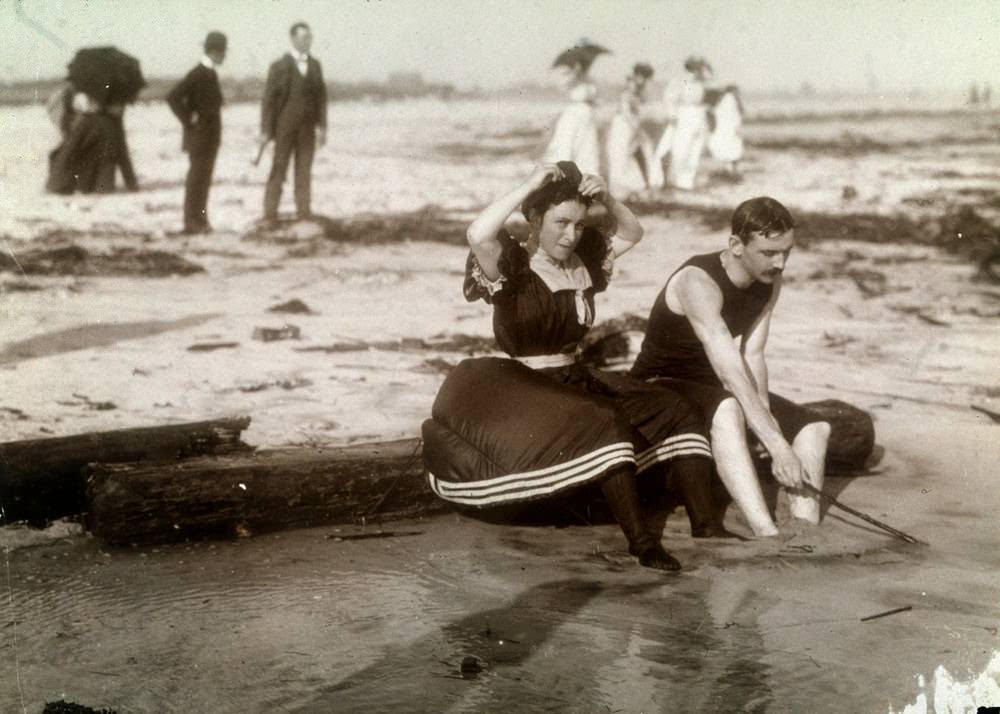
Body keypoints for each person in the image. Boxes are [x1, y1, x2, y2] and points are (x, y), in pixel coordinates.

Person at [422, 161, 728, 573]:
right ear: (532, 219)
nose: (571, 235)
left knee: (673, 408)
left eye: (579, 225)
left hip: (573, 378)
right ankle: (641, 543)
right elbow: (477, 232)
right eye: (560, 223)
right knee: (603, 420)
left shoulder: (582, 261)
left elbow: (632, 233)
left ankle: (706, 527)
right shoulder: (510, 264)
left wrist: (607, 198)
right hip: (521, 388)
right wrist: (529, 182)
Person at [630, 197, 832, 537]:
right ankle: (766, 533)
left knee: (815, 427)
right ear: (736, 245)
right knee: (728, 408)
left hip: (711, 385)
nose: (780, 263)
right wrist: (777, 447)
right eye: (769, 253)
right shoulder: (697, 282)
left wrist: (767, 425)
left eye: (786, 251)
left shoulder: (769, 281)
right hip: (658, 384)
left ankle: (804, 529)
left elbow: (753, 355)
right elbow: (729, 369)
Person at [259, 21, 327, 223]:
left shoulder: (315, 65)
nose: (308, 41)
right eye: (304, 37)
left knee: (304, 170)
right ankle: (270, 214)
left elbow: (321, 98)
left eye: (310, 37)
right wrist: (265, 130)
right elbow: (268, 101)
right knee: (278, 169)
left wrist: (322, 127)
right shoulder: (279, 66)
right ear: (293, 39)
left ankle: (304, 212)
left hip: (308, 129)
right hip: (283, 128)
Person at [168, 31, 228, 234]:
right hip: (199, 136)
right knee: (196, 180)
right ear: (213, 51)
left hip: (209, 136)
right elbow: (173, 97)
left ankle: (200, 220)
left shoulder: (210, 73)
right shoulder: (198, 73)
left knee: (204, 179)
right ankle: (191, 222)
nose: (225, 55)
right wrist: (188, 119)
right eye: (223, 51)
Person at [652, 56, 712, 190]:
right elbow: (669, 98)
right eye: (696, 67)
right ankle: (675, 179)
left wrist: (704, 66)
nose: (699, 71)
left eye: (700, 67)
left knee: (695, 150)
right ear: (690, 68)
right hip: (684, 114)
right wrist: (672, 114)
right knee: (681, 149)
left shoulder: (700, 82)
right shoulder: (680, 81)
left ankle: (686, 181)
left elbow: (710, 75)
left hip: (698, 115)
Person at [543, 55, 602, 175]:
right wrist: (574, 75)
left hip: (587, 113)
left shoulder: (589, 80)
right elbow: (565, 88)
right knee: (568, 142)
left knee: (586, 145)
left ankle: (584, 171)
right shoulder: (571, 77)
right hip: (574, 112)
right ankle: (565, 170)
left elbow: (593, 97)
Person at [606, 63, 658, 195]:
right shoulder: (630, 88)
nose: (645, 81)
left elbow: (638, 107)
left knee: (640, 150)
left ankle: (638, 184)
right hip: (624, 125)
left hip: (632, 124)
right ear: (637, 76)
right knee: (622, 153)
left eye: (647, 78)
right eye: (643, 77)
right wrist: (634, 126)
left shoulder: (637, 89)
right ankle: (623, 186)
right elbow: (626, 110)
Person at [707, 85, 744, 178]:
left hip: (726, 129)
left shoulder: (724, 100)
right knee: (733, 150)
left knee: (729, 150)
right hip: (730, 129)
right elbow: (736, 115)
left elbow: (716, 113)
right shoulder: (730, 99)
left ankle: (729, 170)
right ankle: (730, 170)